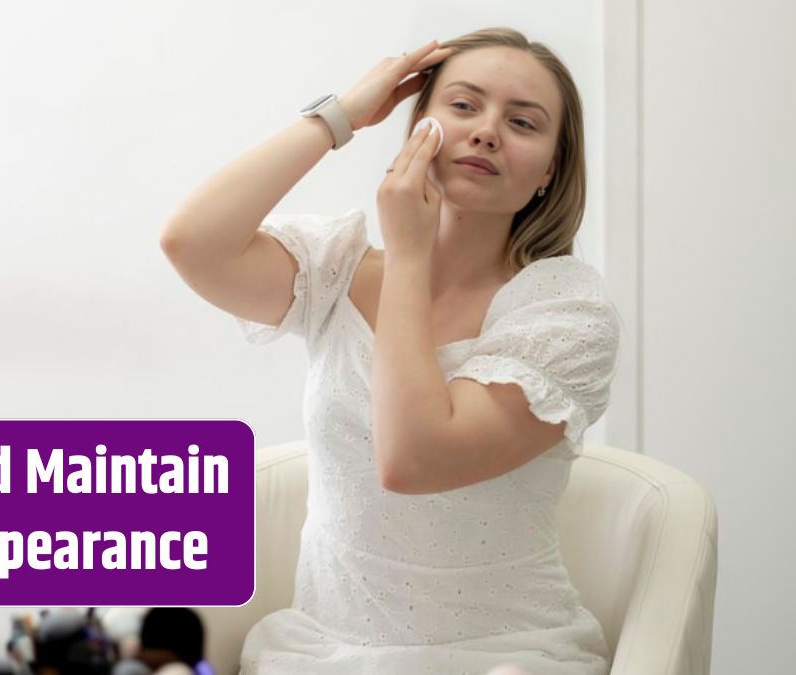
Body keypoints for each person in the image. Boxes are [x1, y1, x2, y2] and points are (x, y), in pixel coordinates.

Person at [160, 26, 619, 675]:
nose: (487, 130)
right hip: (326, 650)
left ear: (549, 170)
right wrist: (340, 116)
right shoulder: (338, 266)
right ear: (418, 128)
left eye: (523, 122)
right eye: (462, 105)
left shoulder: (567, 313)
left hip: (506, 656)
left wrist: (408, 255)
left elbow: (412, 457)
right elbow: (192, 243)